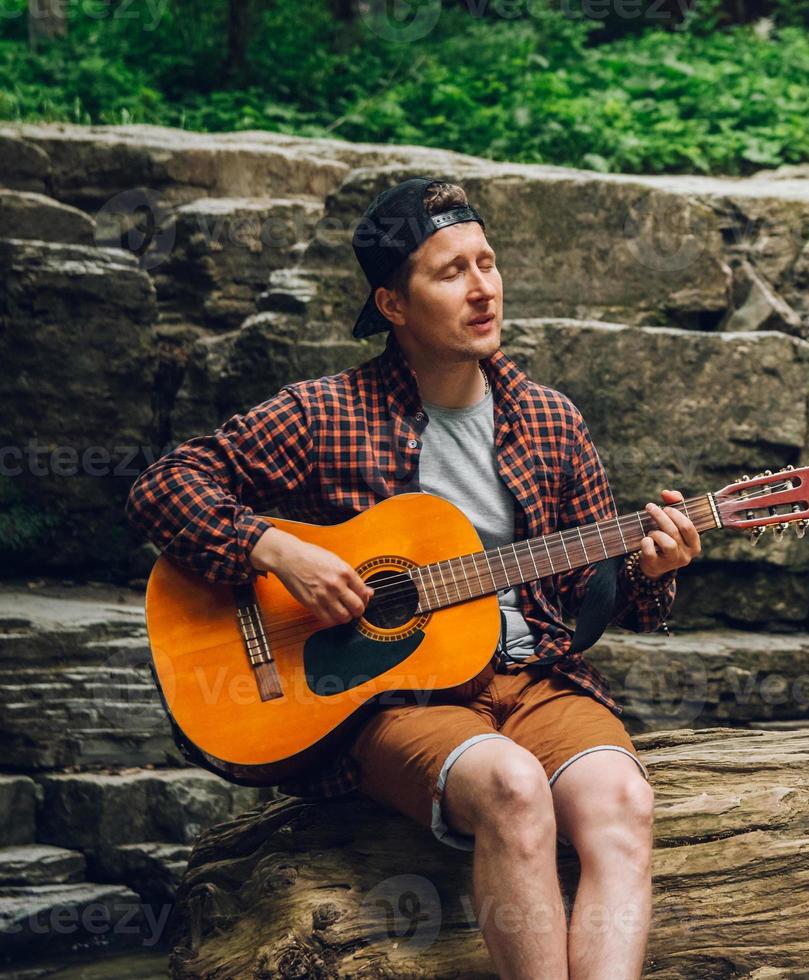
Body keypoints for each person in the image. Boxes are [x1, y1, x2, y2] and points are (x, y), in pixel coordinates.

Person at [125, 176, 701, 979]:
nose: (482, 289)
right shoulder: (322, 413)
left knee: (624, 804)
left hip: (536, 676)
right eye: (450, 272)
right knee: (512, 787)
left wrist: (653, 567)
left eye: (488, 263)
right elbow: (163, 486)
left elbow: (609, 600)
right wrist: (275, 550)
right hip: (400, 695)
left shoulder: (551, 419)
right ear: (393, 304)